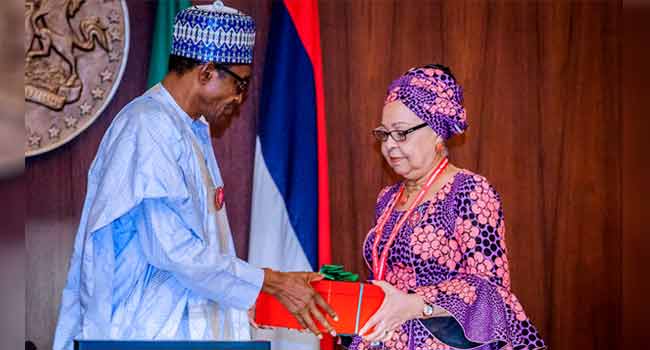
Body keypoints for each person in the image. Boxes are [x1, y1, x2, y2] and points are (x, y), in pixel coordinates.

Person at [52, 3, 336, 350]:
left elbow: (198, 250)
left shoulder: (187, 129)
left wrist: (271, 283)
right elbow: (172, 251)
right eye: (240, 83)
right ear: (205, 72)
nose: (239, 98)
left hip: (175, 331)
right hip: (140, 334)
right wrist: (272, 282)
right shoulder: (148, 127)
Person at [348, 65, 545, 349]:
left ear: (437, 132)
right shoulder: (387, 198)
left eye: (401, 133)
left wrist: (416, 306)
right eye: (384, 134)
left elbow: (491, 289)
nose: (389, 145)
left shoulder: (469, 190)